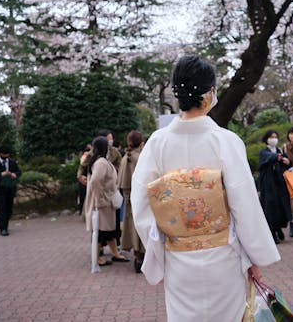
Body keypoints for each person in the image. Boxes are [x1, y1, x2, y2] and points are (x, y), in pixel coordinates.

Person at [130, 55, 280, 321]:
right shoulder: (226, 141)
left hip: (179, 260)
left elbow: (140, 200)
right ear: (210, 93)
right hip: (223, 255)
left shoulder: (157, 143)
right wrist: (254, 257)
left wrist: (160, 241)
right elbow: (244, 205)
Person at [84, 137, 129, 267]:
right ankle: (96, 257)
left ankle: (115, 253)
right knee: (101, 231)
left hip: (106, 201)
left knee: (109, 230)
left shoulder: (99, 161)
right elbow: (95, 182)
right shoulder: (101, 162)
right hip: (103, 203)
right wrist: (100, 200)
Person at [118, 130, 145, 273]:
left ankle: (137, 257)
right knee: (143, 229)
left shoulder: (125, 158)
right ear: (141, 143)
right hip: (141, 199)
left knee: (132, 229)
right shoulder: (142, 158)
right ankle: (143, 259)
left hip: (128, 200)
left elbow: (121, 184)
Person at [259, 130, 292, 242]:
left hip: (280, 184)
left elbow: (286, 163)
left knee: (281, 206)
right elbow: (269, 158)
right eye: (272, 137)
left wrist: (287, 161)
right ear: (267, 139)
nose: (274, 139)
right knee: (270, 208)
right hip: (269, 185)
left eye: (276, 137)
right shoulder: (264, 152)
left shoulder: (280, 151)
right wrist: (278, 157)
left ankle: (279, 228)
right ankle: (272, 232)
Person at [0, 145, 21, 236]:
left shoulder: (12, 162)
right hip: (0, 189)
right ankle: (3, 228)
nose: (6, 156)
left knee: (9, 209)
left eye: (7, 154)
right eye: (4, 154)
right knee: (2, 209)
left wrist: (15, 174)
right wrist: (0, 174)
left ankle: (6, 224)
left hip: (10, 187)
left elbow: (19, 172)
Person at [77, 143, 91, 216]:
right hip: (84, 178)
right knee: (83, 196)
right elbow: (82, 165)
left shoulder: (89, 156)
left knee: (84, 196)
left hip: (85, 177)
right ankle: (82, 211)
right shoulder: (85, 157)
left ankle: (83, 211)